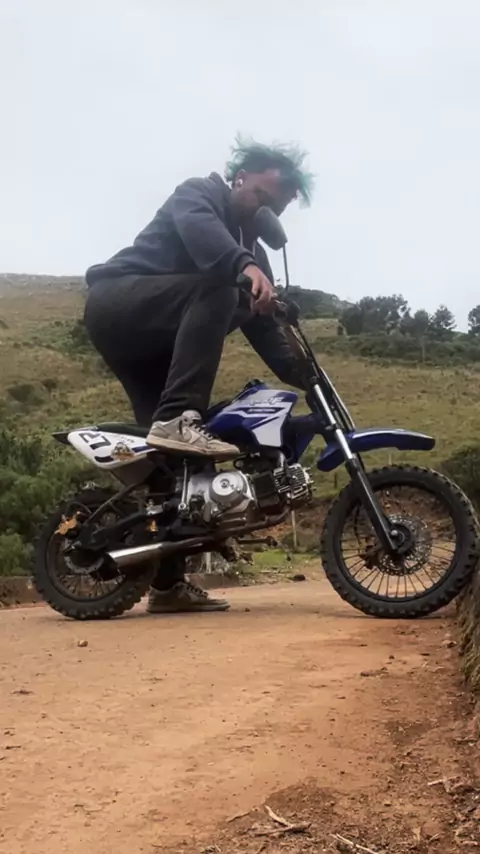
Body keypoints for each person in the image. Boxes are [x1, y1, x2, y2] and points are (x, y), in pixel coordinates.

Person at [84, 138, 314, 614]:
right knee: (221, 287)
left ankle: (167, 586)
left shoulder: (250, 256)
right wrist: (244, 265)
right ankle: (176, 417)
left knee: (183, 464)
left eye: (274, 208)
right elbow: (204, 237)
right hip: (118, 305)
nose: (264, 210)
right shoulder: (199, 195)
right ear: (240, 178)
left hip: (159, 349)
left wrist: (308, 375)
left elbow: (267, 335)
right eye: (261, 196)